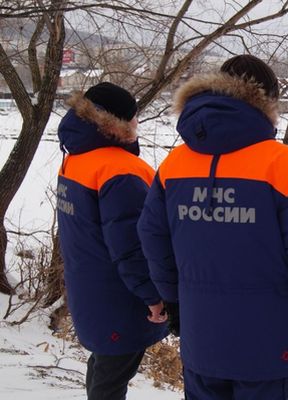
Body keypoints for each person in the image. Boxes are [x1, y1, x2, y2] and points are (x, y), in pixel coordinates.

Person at [137, 55, 288, 400]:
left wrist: (174, 301)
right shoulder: (284, 167)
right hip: (267, 345)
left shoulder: (175, 165)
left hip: (203, 338)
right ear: (267, 101)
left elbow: (152, 236)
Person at [56, 82, 168, 400]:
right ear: (117, 122)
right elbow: (132, 246)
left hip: (90, 290)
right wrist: (153, 296)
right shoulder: (121, 170)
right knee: (111, 379)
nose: (138, 123)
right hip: (120, 297)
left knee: (104, 368)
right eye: (134, 117)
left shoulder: (77, 159)